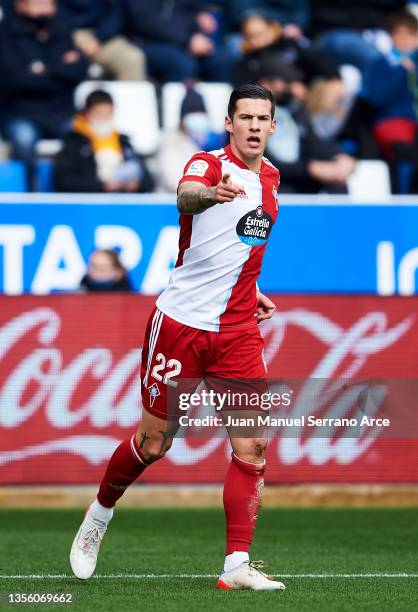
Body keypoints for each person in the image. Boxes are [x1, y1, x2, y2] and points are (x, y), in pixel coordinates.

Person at [69, 84, 286, 591]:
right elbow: (185, 196)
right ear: (229, 123)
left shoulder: (274, 178)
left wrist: (251, 290)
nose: (254, 126)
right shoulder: (206, 166)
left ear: (273, 127)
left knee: (252, 447)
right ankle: (99, 515)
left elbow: (242, 245)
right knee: (154, 442)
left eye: (263, 118)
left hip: (236, 332)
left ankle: (235, 566)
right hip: (182, 326)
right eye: (245, 117)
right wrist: (212, 193)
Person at [0, 0, 88, 190]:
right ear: (20, 5)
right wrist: (58, 70)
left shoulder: (61, 29)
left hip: (60, 111)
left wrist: (42, 69)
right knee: (24, 139)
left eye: (48, 4)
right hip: (21, 112)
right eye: (37, 4)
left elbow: (78, 70)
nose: (44, 10)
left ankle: (75, 193)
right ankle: (30, 196)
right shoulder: (6, 34)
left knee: (82, 139)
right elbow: (14, 79)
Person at [257, 60, 356, 193]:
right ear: (266, 84)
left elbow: (313, 143)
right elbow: (260, 162)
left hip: (298, 177)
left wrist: (339, 157)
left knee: (337, 183)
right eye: (287, 82)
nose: (295, 87)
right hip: (267, 182)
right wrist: (310, 169)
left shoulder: (294, 110)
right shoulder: (249, 115)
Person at [54, 89, 154, 193]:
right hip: (90, 204)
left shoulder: (123, 142)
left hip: (122, 203)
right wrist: (103, 186)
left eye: (108, 113)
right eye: (98, 113)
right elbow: (63, 181)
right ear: (87, 114)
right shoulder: (74, 142)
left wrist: (136, 185)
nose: (103, 118)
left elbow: (148, 181)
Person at [122, 0, 231, 82]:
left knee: (221, 60)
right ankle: (176, 111)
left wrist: (201, 17)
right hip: (148, 42)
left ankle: (219, 110)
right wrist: (188, 39)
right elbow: (145, 22)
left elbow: (190, 11)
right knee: (182, 65)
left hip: (185, 41)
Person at [233, 11, 338, 87]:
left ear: (273, 27)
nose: (258, 40)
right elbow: (244, 91)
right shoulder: (248, 61)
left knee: (342, 78)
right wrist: (290, 87)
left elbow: (323, 64)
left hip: (310, 92)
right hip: (278, 107)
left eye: (260, 33)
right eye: (251, 36)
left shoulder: (290, 44)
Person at [157, 86, 226, 192]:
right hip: (173, 202)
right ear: (183, 119)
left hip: (207, 201)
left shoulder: (214, 142)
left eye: (201, 113)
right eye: (192, 113)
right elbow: (173, 180)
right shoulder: (170, 141)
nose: (198, 117)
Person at [61, 0, 146, 81]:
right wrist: (75, 43)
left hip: (102, 36)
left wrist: (98, 38)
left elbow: (115, 14)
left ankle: (128, 96)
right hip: (66, 35)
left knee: (132, 59)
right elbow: (56, 14)